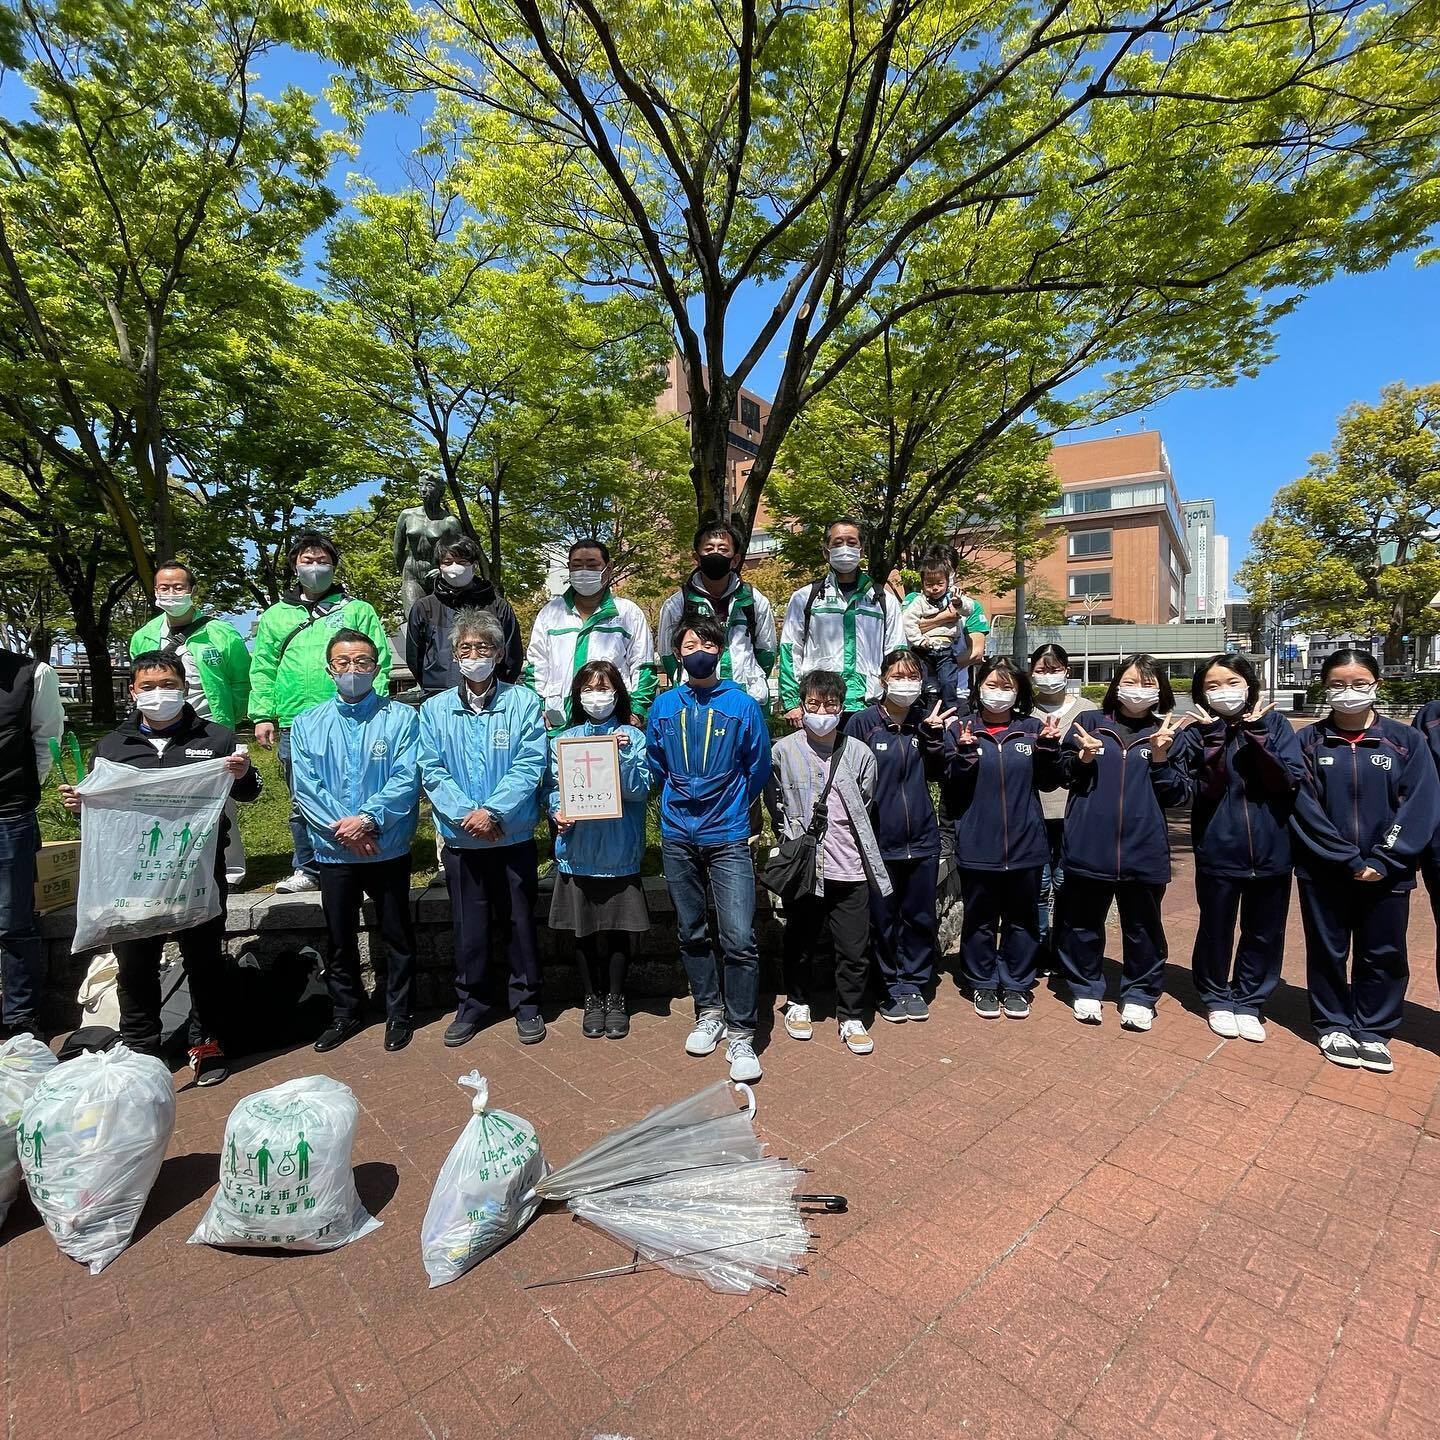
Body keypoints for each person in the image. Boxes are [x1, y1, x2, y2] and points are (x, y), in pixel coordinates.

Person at [59, 652, 260, 1085]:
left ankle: (207, 1045)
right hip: (133, 876)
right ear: (133, 691)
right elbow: (103, 809)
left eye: (168, 684)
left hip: (198, 872)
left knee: (204, 963)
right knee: (135, 966)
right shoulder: (112, 747)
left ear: (184, 687)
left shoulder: (216, 738)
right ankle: (142, 1051)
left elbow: (249, 793)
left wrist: (243, 774)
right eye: (147, 686)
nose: (158, 693)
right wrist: (81, 804)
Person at [1291, 649, 1439, 1073]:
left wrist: (1386, 857)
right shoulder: (1308, 741)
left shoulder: (1406, 740)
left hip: (1388, 871)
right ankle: (1333, 1023)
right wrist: (1344, 857)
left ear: (1376, 684)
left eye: (1359, 683)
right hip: (1325, 870)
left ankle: (1374, 1028)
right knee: (1328, 950)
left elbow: (1420, 802)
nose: (1349, 691)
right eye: (1338, 684)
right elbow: (1304, 806)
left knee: (1384, 951)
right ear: (1324, 687)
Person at [646, 614, 771, 1082]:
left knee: (739, 936)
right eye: (689, 644)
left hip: (728, 833)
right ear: (677, 654)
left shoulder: (742, 705)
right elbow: (655, 762)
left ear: (719, 650)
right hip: (678, 832)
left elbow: (758, 766)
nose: (698, 651)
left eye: (706, 643)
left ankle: (741, 1032)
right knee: (691, 930)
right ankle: (709, 1011)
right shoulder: (664, 706)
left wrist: (731, 803)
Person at [420, 608, 548, 1047]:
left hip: (512, 835)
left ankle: (526, 1004)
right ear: (455, 656)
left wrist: (493, 812)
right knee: (468, 928)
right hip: (462, 841)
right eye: (466, 648)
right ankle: (471, 1005)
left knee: (519, 924)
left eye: (483, 647)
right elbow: (431, 769)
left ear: (498, 653)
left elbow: (530, 764)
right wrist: (466, 815)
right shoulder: (434, 710)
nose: (474, 655)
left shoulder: (523, 702)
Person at [290, 629, 421, 1055]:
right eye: (343, 662)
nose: (353, 670)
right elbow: (306, 787)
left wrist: (367, 821)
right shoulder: (307, 723)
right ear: (330, 669)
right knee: (339, 936)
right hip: (335, 851)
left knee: (397, 934)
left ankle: (400, 1012)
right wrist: (343, 831)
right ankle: (345, 1012)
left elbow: (406, 779)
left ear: (376, 668)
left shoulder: (401, 718)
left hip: (386, 845)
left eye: (362, 662)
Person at [1171, 654, 1306, 1043]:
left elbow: (1287, 780)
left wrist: (1258, 735)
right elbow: (1195, 791)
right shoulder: (1195, 733)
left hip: (1272, 849)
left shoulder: (1275, 724)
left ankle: (1249, 1000)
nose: (1223, 692)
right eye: (1212, 686)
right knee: (1216, 928)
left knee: (1264, 932)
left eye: (1232, 682)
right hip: (1218, 849)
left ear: (1249, 684)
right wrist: (1213, 739)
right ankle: (1215, 996)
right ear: (1201, 693)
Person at [250, 532, 392, 894]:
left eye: (323, 561)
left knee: (359, 789)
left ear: (334, 566)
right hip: (295, 720)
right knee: (303, 797)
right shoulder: (275, 616)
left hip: (353, 716)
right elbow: (263, 666)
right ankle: (308, 866)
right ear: (294, 566)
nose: (315, 568)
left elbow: (380, 659)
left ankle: (363, 860)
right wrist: (263, 713)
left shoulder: (357, 610)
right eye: (307, 561)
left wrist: (377, 706)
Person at [1056, 654, 1193, 1031]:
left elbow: (1179, 795)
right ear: (1116, 685)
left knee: (1143, 928)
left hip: (1144, 849)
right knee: (1083, 924)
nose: (1137, 690)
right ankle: (1085, 987)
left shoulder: (1167, 732)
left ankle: (1140, 995)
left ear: (1160, 690)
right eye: (1130, 681)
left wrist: (1161, 758)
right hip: (1089, 846)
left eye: (1148, 684)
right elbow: (1062, 775)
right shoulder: (1090, 723)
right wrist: (1083, 758)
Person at [767, 670, 891, 1056]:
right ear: (802, 706)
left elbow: (867, 803)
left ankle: (851, 1015)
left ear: (842, 708)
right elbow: (775, 802)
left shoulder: (860, 754)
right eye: (814, 704)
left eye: (830, 705)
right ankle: (798, 1002)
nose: (822, 712)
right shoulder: (782, 751)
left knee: (853, 948)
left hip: (849, 865)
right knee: (800, 941)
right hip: (805, 867)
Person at [933, 658, 1063, 1020]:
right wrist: (964, 755)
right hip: (979, 844)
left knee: (1023, 919)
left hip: (1026, 844)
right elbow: (951, 786)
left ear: (1019, 691)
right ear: (979, 688)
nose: (999, 693)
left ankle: (1017, 983)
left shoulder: (1032, 729)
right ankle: (983, 982)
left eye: (1007, 687)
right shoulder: (961, 728)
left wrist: (1049, 749)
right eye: (992, 685)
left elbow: (1049, 782)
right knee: (980, 919)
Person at [546, 660, 650, 1040]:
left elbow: (640, 790)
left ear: (618, 693)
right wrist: (556, 810)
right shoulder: (564, 740)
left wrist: (622, 755)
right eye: (588, 689)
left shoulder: (632, 737)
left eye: (603, 688)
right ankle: (591, 998)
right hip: (579, 848)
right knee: (583, 930)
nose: (596, 696)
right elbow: (553, 787)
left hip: (619, 848)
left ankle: (617, 998)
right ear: (577, 696)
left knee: (620, 928)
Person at [844, 649, 941, 1022]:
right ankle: (886, 986)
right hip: (878, 842)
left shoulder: (926, 720)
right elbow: (847, 778)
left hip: (922, 839)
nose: (906, 684)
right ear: (883, 678)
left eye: (913, 677)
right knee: (881, 920)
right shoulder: (863, 723)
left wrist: (933, 737)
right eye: (898, 676)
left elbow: (940, 772)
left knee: (920, 917)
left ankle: (913, 983)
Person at [778, 517, 906, 722]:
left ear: (862, 551)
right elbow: (790, 649)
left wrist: (896, 702)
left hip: (869, 704)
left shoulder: (884, 601)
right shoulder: (805, 597)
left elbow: (896, 654)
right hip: (820, 706)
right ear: (826, 552)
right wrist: (792, 702)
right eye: (837, 543)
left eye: (852, 542)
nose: (845, 548)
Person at [525, 537, 656, 729]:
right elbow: (536, 666)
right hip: (560, 719)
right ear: (569, 568)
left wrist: (637, 710)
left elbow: (643, 665)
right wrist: (539, 708)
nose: (584, 571)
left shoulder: (628, 613)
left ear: (608, 568)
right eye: (577, 565)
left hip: (614, 720)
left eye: (592, 565)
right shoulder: (550, 613)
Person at [0, 647, 64, 1039]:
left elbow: (47, 739)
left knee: (13, 921)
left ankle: (20, 1019)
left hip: (9, 814)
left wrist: (23, 791)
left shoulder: (32, 674)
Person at [655, 522, 777, 708]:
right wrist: (685, 679)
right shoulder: (677, 604)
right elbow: (667, 654)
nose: (715, 554)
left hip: (746, 697)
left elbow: (766, 652)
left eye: (723, 549)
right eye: (709, 548)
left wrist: (754, 682)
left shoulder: (754, 601)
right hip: (695, 700)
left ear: (735, 560)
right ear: (697, 558)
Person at [1028, 644, 1097, 966]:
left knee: (1067, 883)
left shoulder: (1087, 711)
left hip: (1074, 812)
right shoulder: (1023, 710)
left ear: (1067, 671)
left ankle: (1065, 953)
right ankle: (1039, 950)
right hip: (1033, 813)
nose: (1048, 676)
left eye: (1054, 669)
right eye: (1041, 670)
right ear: (1031, 673)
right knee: (1039, 885)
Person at [130, 562, 252, 729]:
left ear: (193, 590)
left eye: (178, 588)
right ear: (156, 591)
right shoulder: (142, 637)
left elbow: (242, 681)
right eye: (164, 588)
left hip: (210, 725)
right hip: (158, 726)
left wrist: (229, 717)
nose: (171, 593)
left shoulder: (222, 633)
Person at [404, 535, 522, 694]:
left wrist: (498, 690)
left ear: (474, 565)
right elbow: (414, 658)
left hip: (491, 696)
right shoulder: (424, 608)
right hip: (438, 695)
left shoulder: (498, 606)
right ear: (439, 567)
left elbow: (512, 656)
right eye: (447, 562)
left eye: (462, 562)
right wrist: (433, 686)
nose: (454, 567)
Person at [901, 545, 990, 706]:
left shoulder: (967, 604)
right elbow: (905, 629)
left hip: (957, 690)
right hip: (920, 691)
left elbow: (976, 653)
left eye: (945, 569)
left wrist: (944, 665)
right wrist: (945, 617)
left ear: (954, 572)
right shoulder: (914, 599)